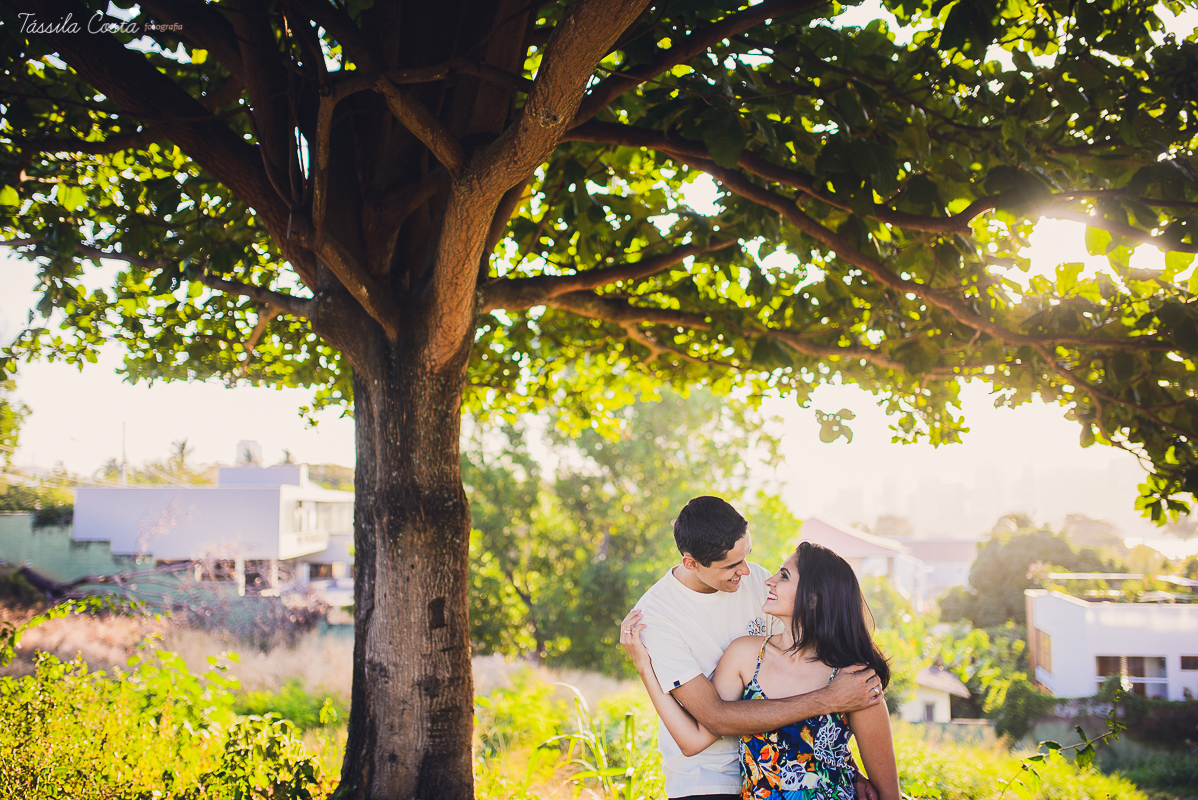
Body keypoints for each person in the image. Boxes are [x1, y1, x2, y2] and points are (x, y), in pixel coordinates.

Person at [619, 496, 884, 800]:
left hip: (776, 764)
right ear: (691, 563)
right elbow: (713, 719)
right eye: (732, 565)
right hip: (709, 778)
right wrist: (831, 699)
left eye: (746, 556)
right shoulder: (657, 617)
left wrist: (846, 768)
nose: (745, 572)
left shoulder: (756, 579)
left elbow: (794, 674)